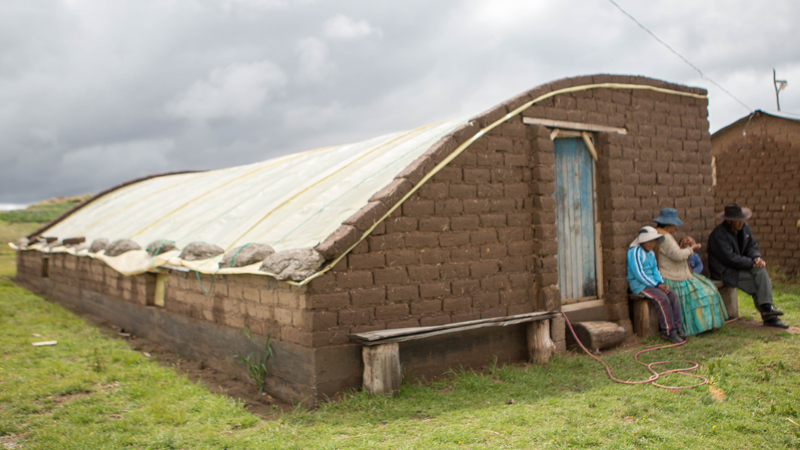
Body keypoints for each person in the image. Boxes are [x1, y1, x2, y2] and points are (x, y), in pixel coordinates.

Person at [708, 203, 788, 329]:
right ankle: (769, 316)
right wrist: (752, 263)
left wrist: (757, 257)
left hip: (740, 266)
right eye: (738, 221)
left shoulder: (744, 228)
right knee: (759, 285)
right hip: (725, 271)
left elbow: (751, 246)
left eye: (742, 219)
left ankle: (768, 309)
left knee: (760, 271)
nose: (741, 223)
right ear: (729, 221)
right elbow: (730, 259)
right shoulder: (719, 235)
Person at [652, 208, 728, 335]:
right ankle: (700, 326)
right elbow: (678, 255)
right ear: (670, 225)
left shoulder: (659, 234)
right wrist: (690, 249)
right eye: (674, 225)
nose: (674, 228)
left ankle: (703, 325)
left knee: (708, 288)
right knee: (705, 293)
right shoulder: (665, 237)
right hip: (673, 277)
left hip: (672, 274)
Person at [627, 226, 686, 343]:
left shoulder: (651, 253)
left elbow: (655, 271)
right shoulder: (634, 252)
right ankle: (668, 332)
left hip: (652, 284)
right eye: (650, 241)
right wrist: (656, 285)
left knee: (672, 295)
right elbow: (639, 273)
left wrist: (660, 283)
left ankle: (678, 327)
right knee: (662, 298)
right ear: (643, 240)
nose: (652, 244)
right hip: (639, 285)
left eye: (654, 241)